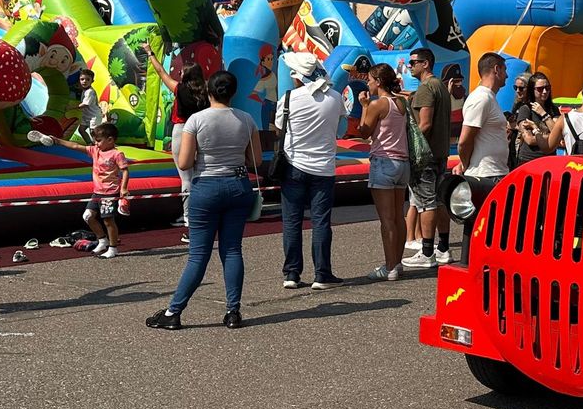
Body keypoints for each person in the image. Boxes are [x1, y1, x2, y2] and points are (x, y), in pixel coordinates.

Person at [146, 71, 261, 330]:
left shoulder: (196, 120)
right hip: (238, 184)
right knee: (232, 250)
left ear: (209, 91)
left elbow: (185, 162)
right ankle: (233, 311)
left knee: (198, 254)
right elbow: (256, 158)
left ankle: (174, 311)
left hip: (206, 186)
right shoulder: (246, 119)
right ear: (233, 92)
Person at [277, 53, 346, 290]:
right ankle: (322, 274)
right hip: (324, 168)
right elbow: (341, 127)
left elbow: (279, 127)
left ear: (297, 76)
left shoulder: (288, 99)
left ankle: (291, 274)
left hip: (293, 166)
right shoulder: (335, 98)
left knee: (292, 222)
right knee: (321, 222)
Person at [40, 123, 130, 258]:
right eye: (95, 140)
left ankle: (113, 248)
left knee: (108, 220)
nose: (96, 143)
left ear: (110, 140)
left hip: (110, 192)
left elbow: (125, 171)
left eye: (99, 140)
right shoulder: (95, 151)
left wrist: (123, 188)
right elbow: (76, 146)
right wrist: (57, 141)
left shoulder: (117, 154)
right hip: (97, 192)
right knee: (87, 216)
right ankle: (102, 240)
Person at [356, 62, 410, 281]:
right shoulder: (401, 103)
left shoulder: (379, 104)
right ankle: (397, 261)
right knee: (398, 216)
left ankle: (390, 268)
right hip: (402, 162)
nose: (368, 83)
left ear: (378, 82)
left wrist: (364, 106)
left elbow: (363, 132)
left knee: (386, 219)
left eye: (369, 79)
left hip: (383, 161)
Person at [402, 48, 454, 270]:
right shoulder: (440, 86)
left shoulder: (426, 88)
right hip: (441, 152)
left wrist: (410, 146)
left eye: (414, 62)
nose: (411, 66)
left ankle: (426, 252)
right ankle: (442, 248)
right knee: (440, 200)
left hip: (426, 156)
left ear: (426, 64)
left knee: (426, 203)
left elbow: (425, 124)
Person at [151, 51, 208, 243]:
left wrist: (150, 54)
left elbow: (161, 72)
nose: (180, 75)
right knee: (200, 172)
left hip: (182, 129)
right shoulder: (206, 92)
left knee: (185, 177)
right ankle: (202, 214)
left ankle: (188, 218)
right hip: (201, 129)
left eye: (182, 72)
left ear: (186, 75)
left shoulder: (179, 89)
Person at [454, 53, 510, 182]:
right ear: (497, 69)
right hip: (487, 175)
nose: (507, 75)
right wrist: (465, 164)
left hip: (495, 172)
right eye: (505, 70)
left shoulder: (489, 98)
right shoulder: (481, 98)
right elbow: (464, 141)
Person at [511, 71, 559, 168]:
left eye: (547, 88)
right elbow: (529, 139)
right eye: (540, 89)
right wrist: (551, 137)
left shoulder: (553, 109)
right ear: (532, 90)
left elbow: (558, 134)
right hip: (529, 160)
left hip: (549, 160)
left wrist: (544, 114)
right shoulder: (525, 109)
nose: (545, 91)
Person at [73, 69, 104, 143]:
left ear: (92, 81)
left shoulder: (90, 92)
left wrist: (72, 107)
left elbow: (85, 105)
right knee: (81, 130)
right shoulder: (85, 90)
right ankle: (90, 144)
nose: (84, 81)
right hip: (87, 116)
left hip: (94, 115)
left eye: (87, 79)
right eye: (82, 79)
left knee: (93, 132)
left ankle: (98, 145)